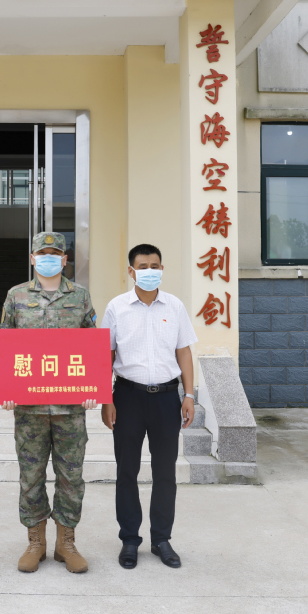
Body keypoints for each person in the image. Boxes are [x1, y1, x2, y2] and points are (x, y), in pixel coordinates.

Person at [0, 231, 98, 574]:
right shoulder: (16, 295)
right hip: (30, 409)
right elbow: (5, 343)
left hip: (71, 408)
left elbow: (93, 344)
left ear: (65, 259)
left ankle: (65, 542)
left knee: (71, 476)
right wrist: (6, 386)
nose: (49, 259)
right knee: (31, 475)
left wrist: (93, 386)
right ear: (32, 258)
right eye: (43, 254)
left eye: (55, 254)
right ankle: (35, 542)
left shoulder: (80, 296)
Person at [100, 244, 198, 570]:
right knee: (127, 471)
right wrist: (106, 398)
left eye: (154, 265)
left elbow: (184, 351)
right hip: (127, 397)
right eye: (142, 266)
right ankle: (130, 539)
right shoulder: (116, 307)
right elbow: (106, 355)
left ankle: (161, 539)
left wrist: (189, 394)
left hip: (167, 399)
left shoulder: (175, 306)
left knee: (165, 472)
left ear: (162, 268)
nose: (149, 271)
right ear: (131, 271)